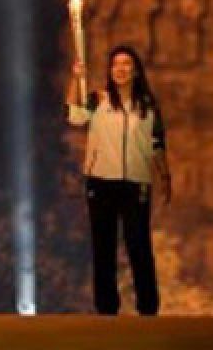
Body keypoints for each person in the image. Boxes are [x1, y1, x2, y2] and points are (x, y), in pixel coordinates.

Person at [65, 45, 171, 316]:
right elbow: (73, 115)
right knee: (104, 248)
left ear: (135, 71)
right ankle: (106, 310)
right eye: (115, 65)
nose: (120, 69)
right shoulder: (98, 100)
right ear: (110, 71)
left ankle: (148, 309)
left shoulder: (147, 106)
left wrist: (164, 177)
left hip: (135, 183)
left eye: (126, 64)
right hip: (101, 183)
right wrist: (74, 78)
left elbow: (157, 143)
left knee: (139, 247)